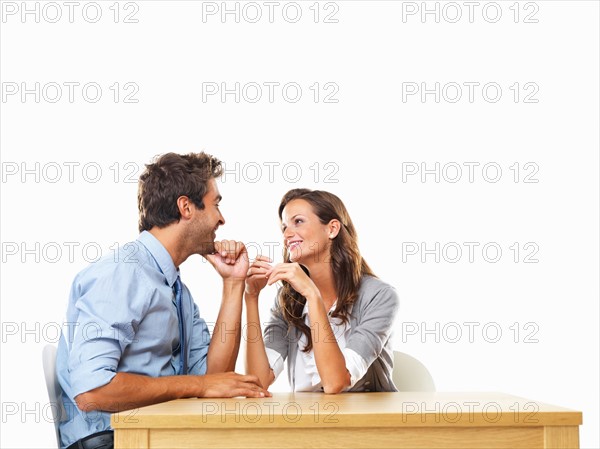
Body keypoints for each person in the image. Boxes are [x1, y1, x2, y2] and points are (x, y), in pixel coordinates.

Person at [56, 152, 269, 449]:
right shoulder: (123, 272)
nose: (222, 218)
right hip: (113, 441)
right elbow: (92, 392)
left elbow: (214, 378)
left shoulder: (174, 288)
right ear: (186, 207)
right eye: (215, 204)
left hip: (156, 435)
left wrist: (233, 284)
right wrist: (199, 386)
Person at [245, 188, 399, 393]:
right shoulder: (287, 301)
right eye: (284, 227)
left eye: (298, 221)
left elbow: (335, 382)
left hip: (362, 421)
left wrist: (312, 295)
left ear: (332, 229)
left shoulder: (380, 296)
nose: (287, 234)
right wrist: (251, 297)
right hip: (304, 421)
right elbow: (257, 382)